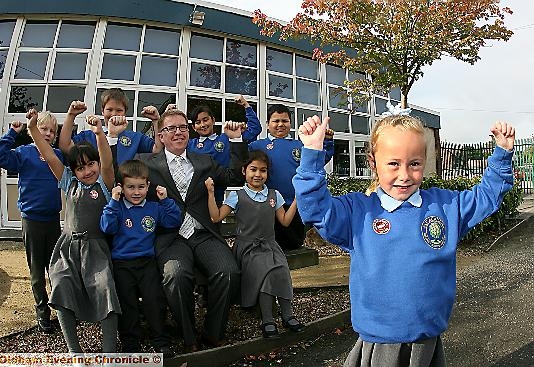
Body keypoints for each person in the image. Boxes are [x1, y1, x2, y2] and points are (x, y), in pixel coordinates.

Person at [293, 114, 515, 367]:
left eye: (415, 164)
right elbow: (315, 210)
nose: (405, 174)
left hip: (426, 339)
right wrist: (312, 153)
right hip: (381, 344)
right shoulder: (359, 212)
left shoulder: (445, 207)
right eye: (393, 164)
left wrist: (502, 154)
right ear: (373, 162)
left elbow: (486, 197)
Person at [135, 109, 246, 352]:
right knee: (175, 275)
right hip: (169, 237)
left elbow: (236, 177)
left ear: (189, 131)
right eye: (171, 128)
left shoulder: (204, 160)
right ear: (161, 136)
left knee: (228, 272)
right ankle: (189, 337)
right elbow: (119, 180)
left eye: (183, 127)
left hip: (203, 233)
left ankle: (212, 332)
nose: (178, 132)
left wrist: (236, 140)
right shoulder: (144, 163)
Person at [27, 106, 121, 353]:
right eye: (81, 168)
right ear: (74, 171)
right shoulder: (68, 182)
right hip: (67, 248)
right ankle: (74, 352)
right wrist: (32, 129)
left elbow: (108, 163)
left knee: (105, 289)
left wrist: (100, 134)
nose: (87, 170)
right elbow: (49, 156)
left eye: (91, 164)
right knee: (61, 287)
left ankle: (108, 351)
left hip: (96, 248)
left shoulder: (104, 181)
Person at [205, 150, 305, 339]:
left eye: (263, 170)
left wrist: (298, 199)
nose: (258, 174)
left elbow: (284, 221)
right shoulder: (238, 196)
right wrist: (211, 193)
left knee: (282, 271)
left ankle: (287, 314)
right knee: (267, 273)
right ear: (244, 171)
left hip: (270, 246)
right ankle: (267, 319)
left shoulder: (274, 195)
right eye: (253, 169)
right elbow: (215, 216)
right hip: (248, 249)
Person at [100, 159, 181, 355]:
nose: (136, 192)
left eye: (141, 187)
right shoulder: (117, 208)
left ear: (148, 186)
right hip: (122, 264)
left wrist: (166, 200)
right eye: (131, 187)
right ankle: (131, 343)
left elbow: (173, 221)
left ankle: (161, 340)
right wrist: (113, 201)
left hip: (147, 263)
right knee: (127, 304)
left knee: (154, 300)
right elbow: (106, 227)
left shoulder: (153, 207)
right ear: (121, 188)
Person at [0, 112, 63, 333]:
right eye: (44, 129)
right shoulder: (24, 153)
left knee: (57, 269)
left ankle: (62, 310)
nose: (49, 134)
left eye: (53, 131)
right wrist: (12, 133)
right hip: (32, 221)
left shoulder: (58, 155)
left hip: (53, 221)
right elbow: (0, 157)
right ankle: (43, 312)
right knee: (36, 271)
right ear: (35, 130)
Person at [249, 104, 334, 251]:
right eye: (276, 121)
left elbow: (318, 160)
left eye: (285, 121)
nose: (280, 124)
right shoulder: (257, 146)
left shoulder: (301, 145)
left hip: (295, 203)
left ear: (290, 123)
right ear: (267, 124)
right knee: (269, 244)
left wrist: (327, 140)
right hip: (267, 205)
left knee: (293, 244)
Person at [58, 88, 162, 172]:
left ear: (125, 113)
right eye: (109, 109)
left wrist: (156, 121)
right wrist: (71, 115)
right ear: (102, 111)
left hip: (123, 191)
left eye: (119, 110)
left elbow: (157, 150)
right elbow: (65, 146)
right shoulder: (89, 135)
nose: (114, 114)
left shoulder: (135, 137)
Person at [188, 95, 262, 203]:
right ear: (193, 127)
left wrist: (246, 105)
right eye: (198, 122)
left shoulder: (227, 138)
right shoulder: (190, 144)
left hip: (217, 195)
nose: (203, 125)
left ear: (213, 120)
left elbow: (255, 129)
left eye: (205, 120)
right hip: (194, 196)